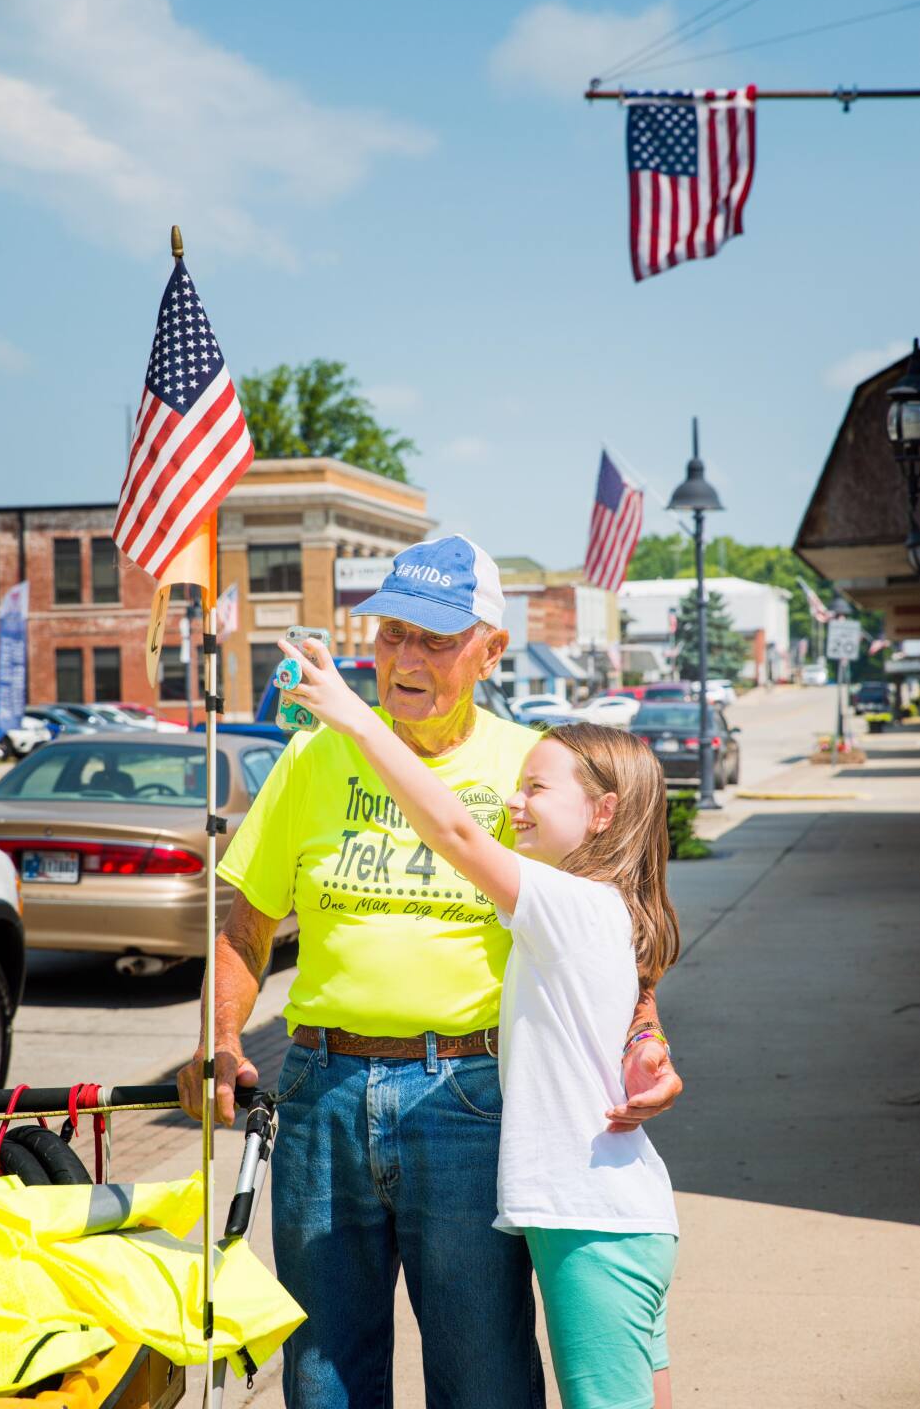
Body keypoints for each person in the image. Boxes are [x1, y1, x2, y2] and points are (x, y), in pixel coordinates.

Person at [178, 535, 682, 1409]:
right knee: (323, 1370)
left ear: (491, 650)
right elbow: (247, 924)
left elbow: (608, 930)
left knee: (481, 1371)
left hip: (471, 1098)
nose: (405, 659)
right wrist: (219, 1039)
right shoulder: (310, 756)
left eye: (436, 641)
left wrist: (644, 1036)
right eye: (390, 635)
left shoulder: (535, 772)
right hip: (321, 1091)